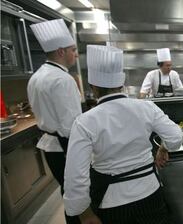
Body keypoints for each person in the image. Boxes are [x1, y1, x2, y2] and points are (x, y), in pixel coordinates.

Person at [63, 45, 183, 224]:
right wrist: (163, 148)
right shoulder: (146, 107)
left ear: (93, 87)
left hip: (111, 203)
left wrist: (84, 214)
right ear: (122, 83)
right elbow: (175, 138)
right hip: (150, 194)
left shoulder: (84, 121)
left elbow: (75, 178)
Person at [28, 19, 81, 224]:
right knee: (76, 193)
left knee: (67, 190)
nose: (75, 54)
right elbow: (70, 125)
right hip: (65, 146)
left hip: (51, 147)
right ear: (61, 52)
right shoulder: (62, 79)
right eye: (73, 49)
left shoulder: (37, 76)